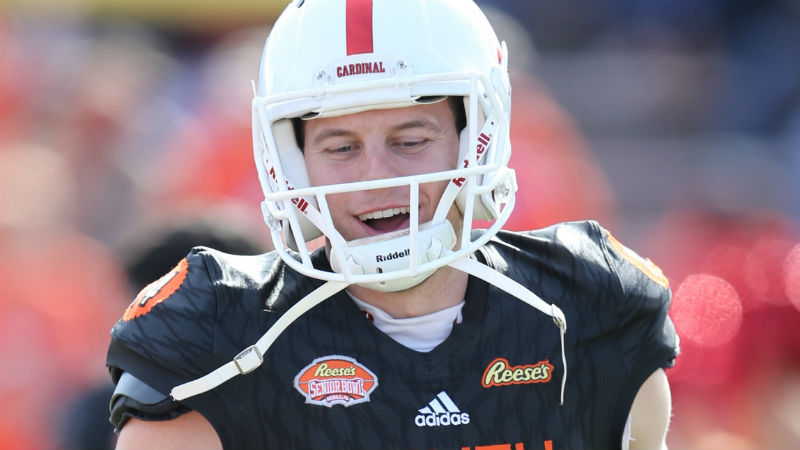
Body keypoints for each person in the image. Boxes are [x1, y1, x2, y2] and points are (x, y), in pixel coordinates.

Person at [106, 1, 679, 449]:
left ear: (477, 134)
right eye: (340, 146)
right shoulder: (214, 338)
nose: (375, 179)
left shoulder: (589, 311)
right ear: (290, 157)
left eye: (410, 141)